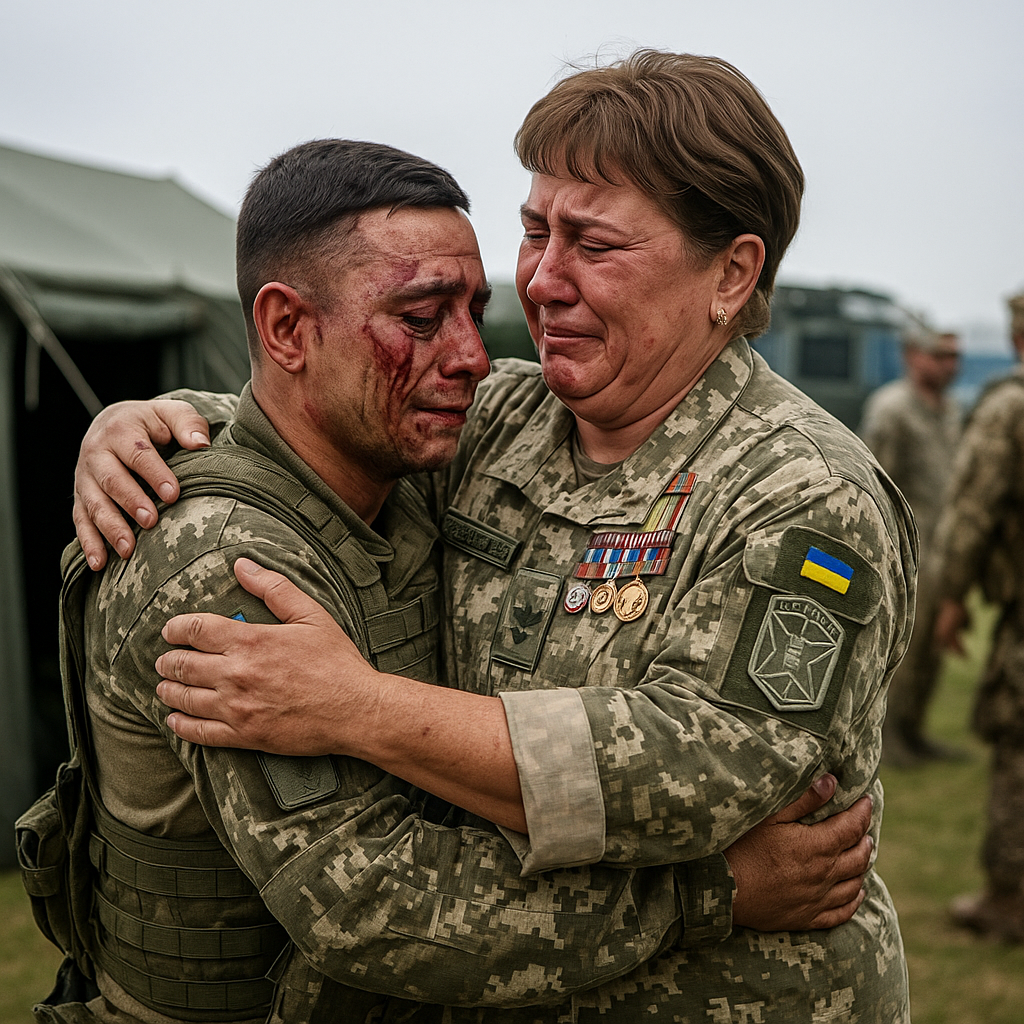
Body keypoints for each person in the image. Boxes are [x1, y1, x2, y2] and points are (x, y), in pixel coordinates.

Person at [73, 52, 913, 1021]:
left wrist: (361, 708)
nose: (543, 280)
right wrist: (152, 421)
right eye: (533, 230)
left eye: (592, 243)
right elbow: (326, 403)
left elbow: (702, 769)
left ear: (730, 272)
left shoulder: (801, 491)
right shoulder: (508, 416)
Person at [933, 291, 1024, 943]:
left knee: (1017, 746)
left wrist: (952, 595)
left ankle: (1010, 898)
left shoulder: (1009, 406)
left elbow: (972, 510)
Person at [859, 326, 962, 765]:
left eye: (954, 356)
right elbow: (872, 483)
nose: (948, 365)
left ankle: (914, 732)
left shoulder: (951, 410)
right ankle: (888, 741)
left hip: (943, 550)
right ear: (912, 356)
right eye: (939, 355)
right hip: (904, 553)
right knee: (899, 652)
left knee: (931, 653)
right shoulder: (892, 409)